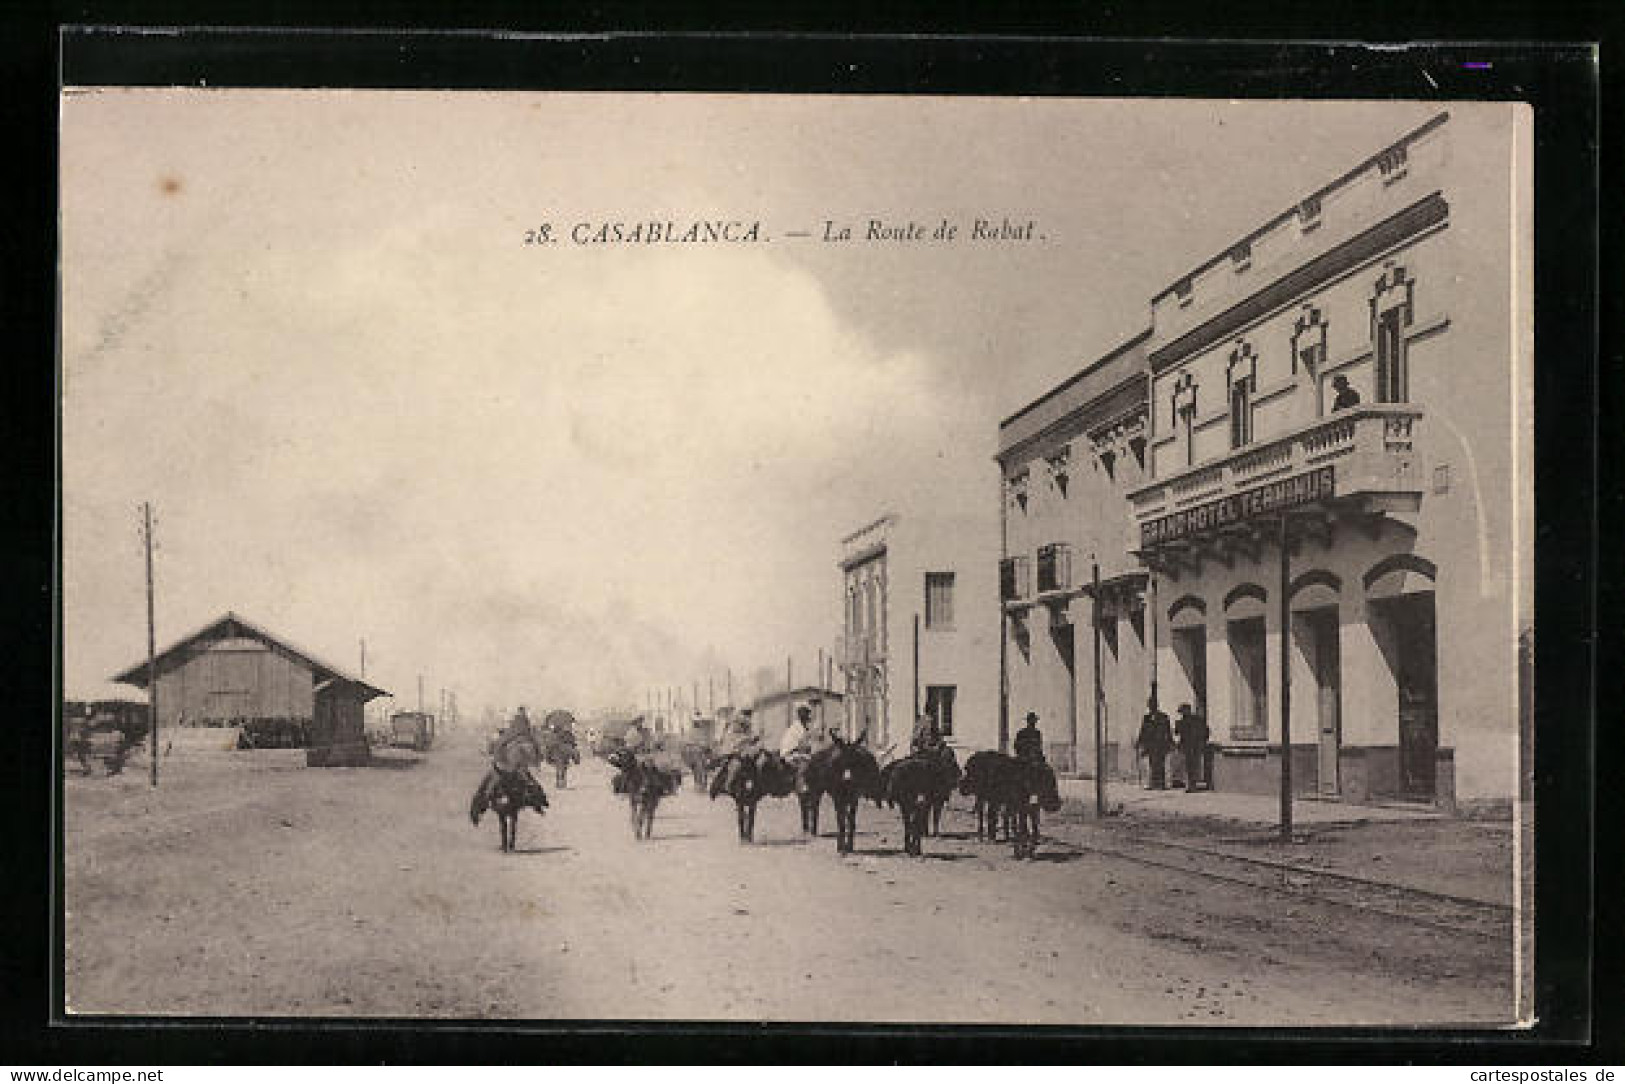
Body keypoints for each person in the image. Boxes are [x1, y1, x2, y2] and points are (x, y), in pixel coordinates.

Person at [1134, 697, 1174, 790]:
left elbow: (1168, 731)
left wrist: (1170, 742)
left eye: (1153, 705)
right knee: (1152, 763)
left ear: (1157, 706)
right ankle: (1153, 784)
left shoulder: (1164, 717)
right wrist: (1139, 742)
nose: (1152, 707)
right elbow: (1143, 731)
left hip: (1161, 744)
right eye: (1150, 705)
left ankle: (1161, 784)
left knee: (1160, 764)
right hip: (1151, 745)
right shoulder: (1146, 718)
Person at [1174, 703, 1210, 792]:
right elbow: (1177, 733)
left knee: (1192, 766)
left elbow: (1205, 731)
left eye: (1183, 712)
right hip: (1190, 747)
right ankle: (1191, 784)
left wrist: (1201, 741)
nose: (1182, 714)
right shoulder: (1186, 721)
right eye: (1181, 712)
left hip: (1193, 746)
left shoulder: (1196, 720)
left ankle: (1192, 785)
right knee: (1190, 766)